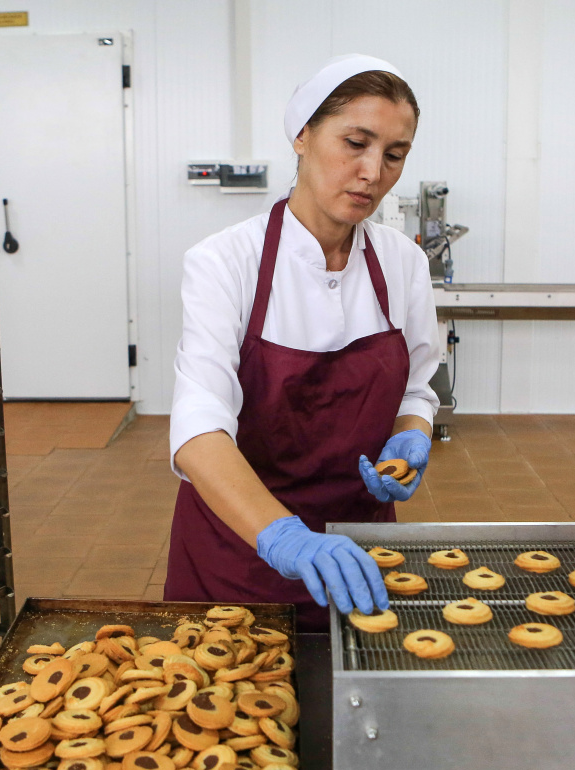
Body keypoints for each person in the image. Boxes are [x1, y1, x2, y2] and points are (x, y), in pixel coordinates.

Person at [166, 55, 440, 631]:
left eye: (394, 155)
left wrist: (411, 434)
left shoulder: (403, 263)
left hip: (359, 554)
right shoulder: (225, 262)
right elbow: (198, 431)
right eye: (355, 143)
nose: (372, 172)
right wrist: (284, 537)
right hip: (241, 552)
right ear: (302, 136)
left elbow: (416, 388)